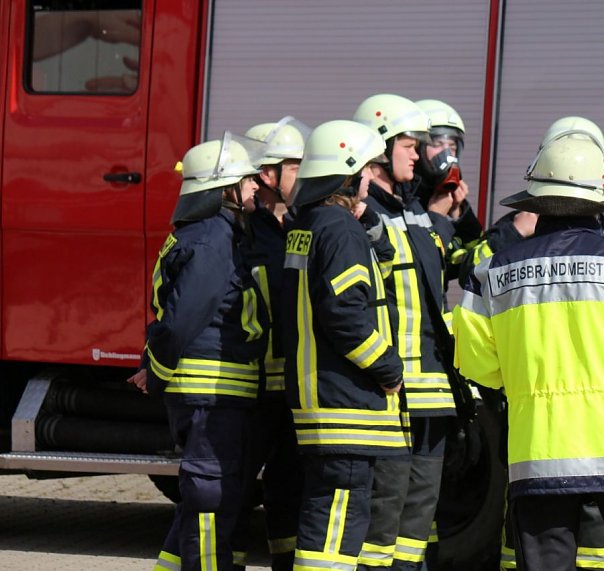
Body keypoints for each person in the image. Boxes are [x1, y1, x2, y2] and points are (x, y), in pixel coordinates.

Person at [453, 130, 604, 571]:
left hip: (539, 454)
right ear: (598, 199)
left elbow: (480, 367)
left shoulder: (490, 275)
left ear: (536, 201)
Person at [132, 133, 269, 570]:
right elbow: (182, 319)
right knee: (212, 498)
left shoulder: (209, 232)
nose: (254, 188)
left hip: (215, 392)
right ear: (225, 187)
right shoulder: (214, 240)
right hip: (211, 393)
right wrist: (154, 370)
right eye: (246, 181)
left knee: (208, 497)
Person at [282, 120, 410, 571]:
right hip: (346, 407)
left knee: (325, 519)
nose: (370, 181)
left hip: (319, 400)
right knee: (335, 528)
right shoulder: (339, 230)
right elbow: (345, 315)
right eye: (367, 172)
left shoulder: (308, 226)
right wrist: (389, 370)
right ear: (349, 174)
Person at [351, 93, 456, 571]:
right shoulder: (360, 212)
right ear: (379, 146)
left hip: (431, 392)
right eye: (410, 145)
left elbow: (437, 274)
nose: (419, 154)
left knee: (416, 523)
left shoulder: (410, 208)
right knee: (382, 521)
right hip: (390, 391)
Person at [230, 118, 308, 570]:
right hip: (251, 390)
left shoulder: (301, 226)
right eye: (294, 168)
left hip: (294, 390)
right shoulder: (241, 231)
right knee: (237, 490)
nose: (303, 175)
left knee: (290, 490)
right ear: (267, 175)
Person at [413, 99, 484, 276]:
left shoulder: (447, 200)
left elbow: (467, 265)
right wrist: (436, 217)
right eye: (437, 144)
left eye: (452, 146)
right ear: (416, 147)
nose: (446, 153)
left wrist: (458, 214)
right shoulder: (404, 200)